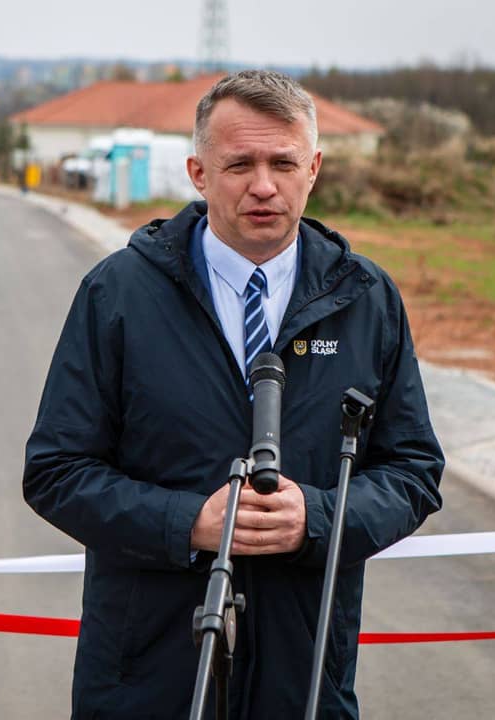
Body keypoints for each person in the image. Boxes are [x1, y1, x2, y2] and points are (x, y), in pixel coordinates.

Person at [23, 70, 444, 719]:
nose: (264, 185)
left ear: (314, 169)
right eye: (240, 164)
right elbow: (56, 472)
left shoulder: (366, 299)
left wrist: (317, 518)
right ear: (198, 172)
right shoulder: (118, 295)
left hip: (302, 682)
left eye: (284, 163)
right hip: (147, 681)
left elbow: (413, 471)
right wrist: (188, 523)